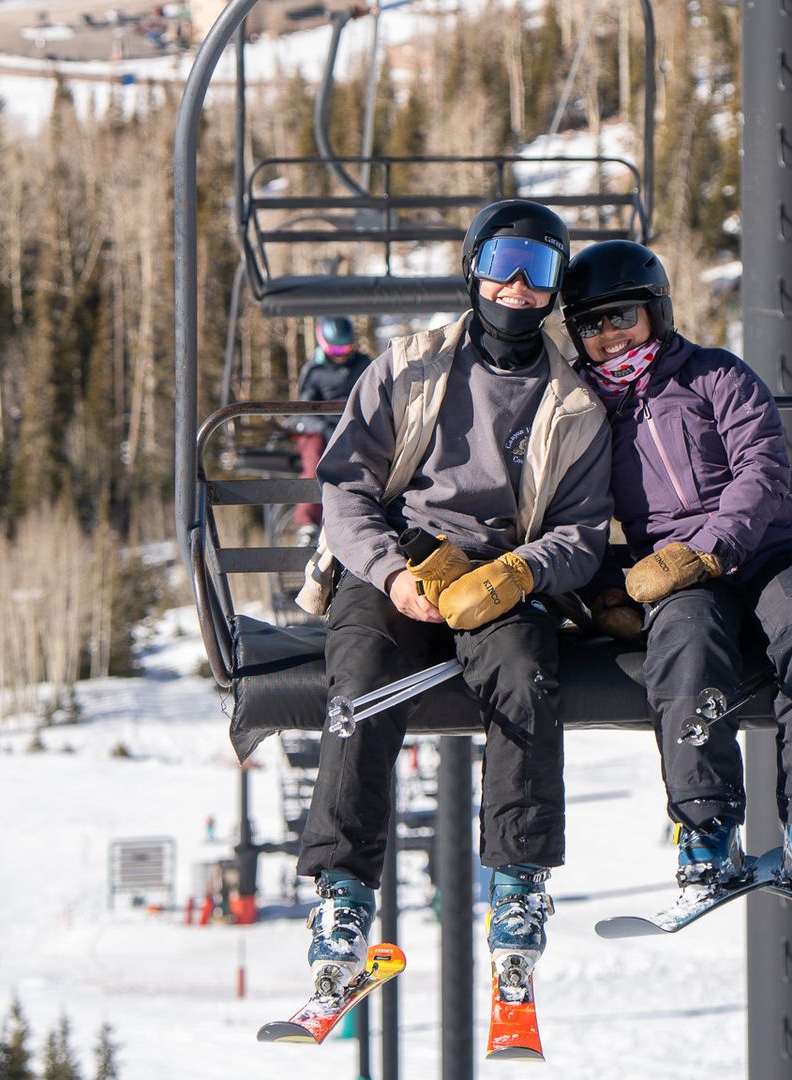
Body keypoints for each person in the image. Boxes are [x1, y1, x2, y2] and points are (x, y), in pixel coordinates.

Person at [293, 200, 613, 1001]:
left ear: (554, 289)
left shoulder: (574, 404)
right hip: (401, 559)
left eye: (537, 271)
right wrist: (392, 574)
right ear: (472, 266)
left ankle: (518, 878)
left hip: (503, 570)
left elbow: (582, 531)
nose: (514, 287)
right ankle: (342, 889)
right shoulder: (411, 366)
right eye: (501, 262)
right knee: (362, 672)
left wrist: (519, 575)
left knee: (524, 668)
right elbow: (347, 486)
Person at [561, 239, 792, 905]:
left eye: (622, 317)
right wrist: (599, 590)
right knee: (684, 649)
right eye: (592, 325)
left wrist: (714, 544)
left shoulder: (714, 376)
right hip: (676, 577)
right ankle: (706, 832)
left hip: (765, 549)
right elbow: (572, 508)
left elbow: (761, 465)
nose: (609, 336)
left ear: (655, 312)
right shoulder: (584, 413)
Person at [292, 316, 374, 542]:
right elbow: (303, 410)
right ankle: (308, 522)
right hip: (321, 429)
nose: (342, 355)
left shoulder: (363, 364)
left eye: (346, 348)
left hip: (354, 426)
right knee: (314, 455)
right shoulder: (314, 371)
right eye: (337, 350)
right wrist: (324, 428)